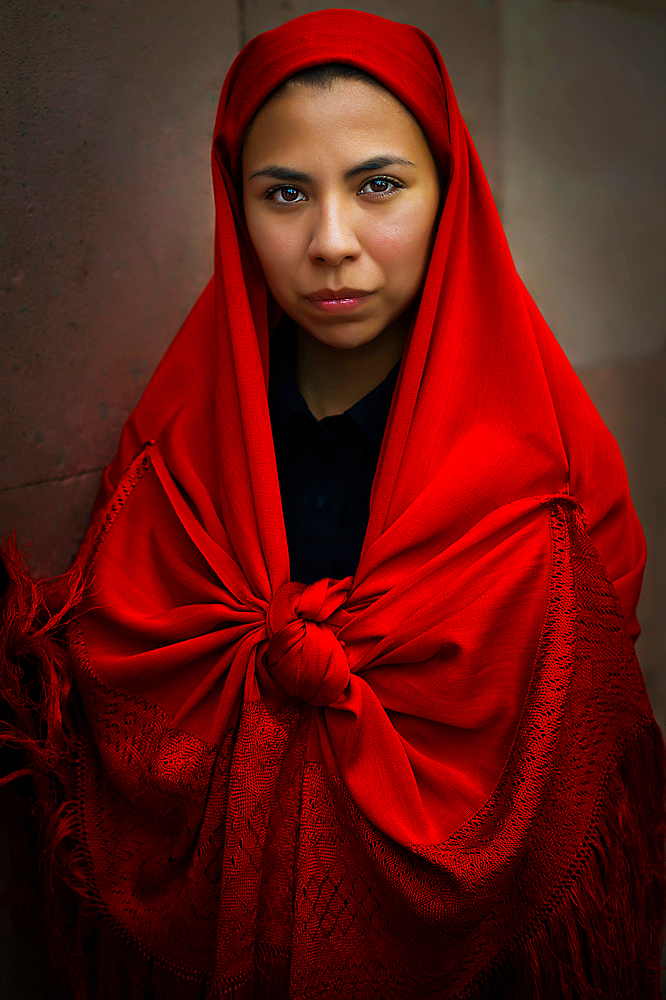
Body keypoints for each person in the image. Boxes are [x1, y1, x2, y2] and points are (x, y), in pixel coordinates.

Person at [1, 9, 664, 999]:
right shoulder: (175, 452)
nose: (331, 242)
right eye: (283, 194)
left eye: (380, 185)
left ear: (453, 192)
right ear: (235, 203)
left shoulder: (552, 487)